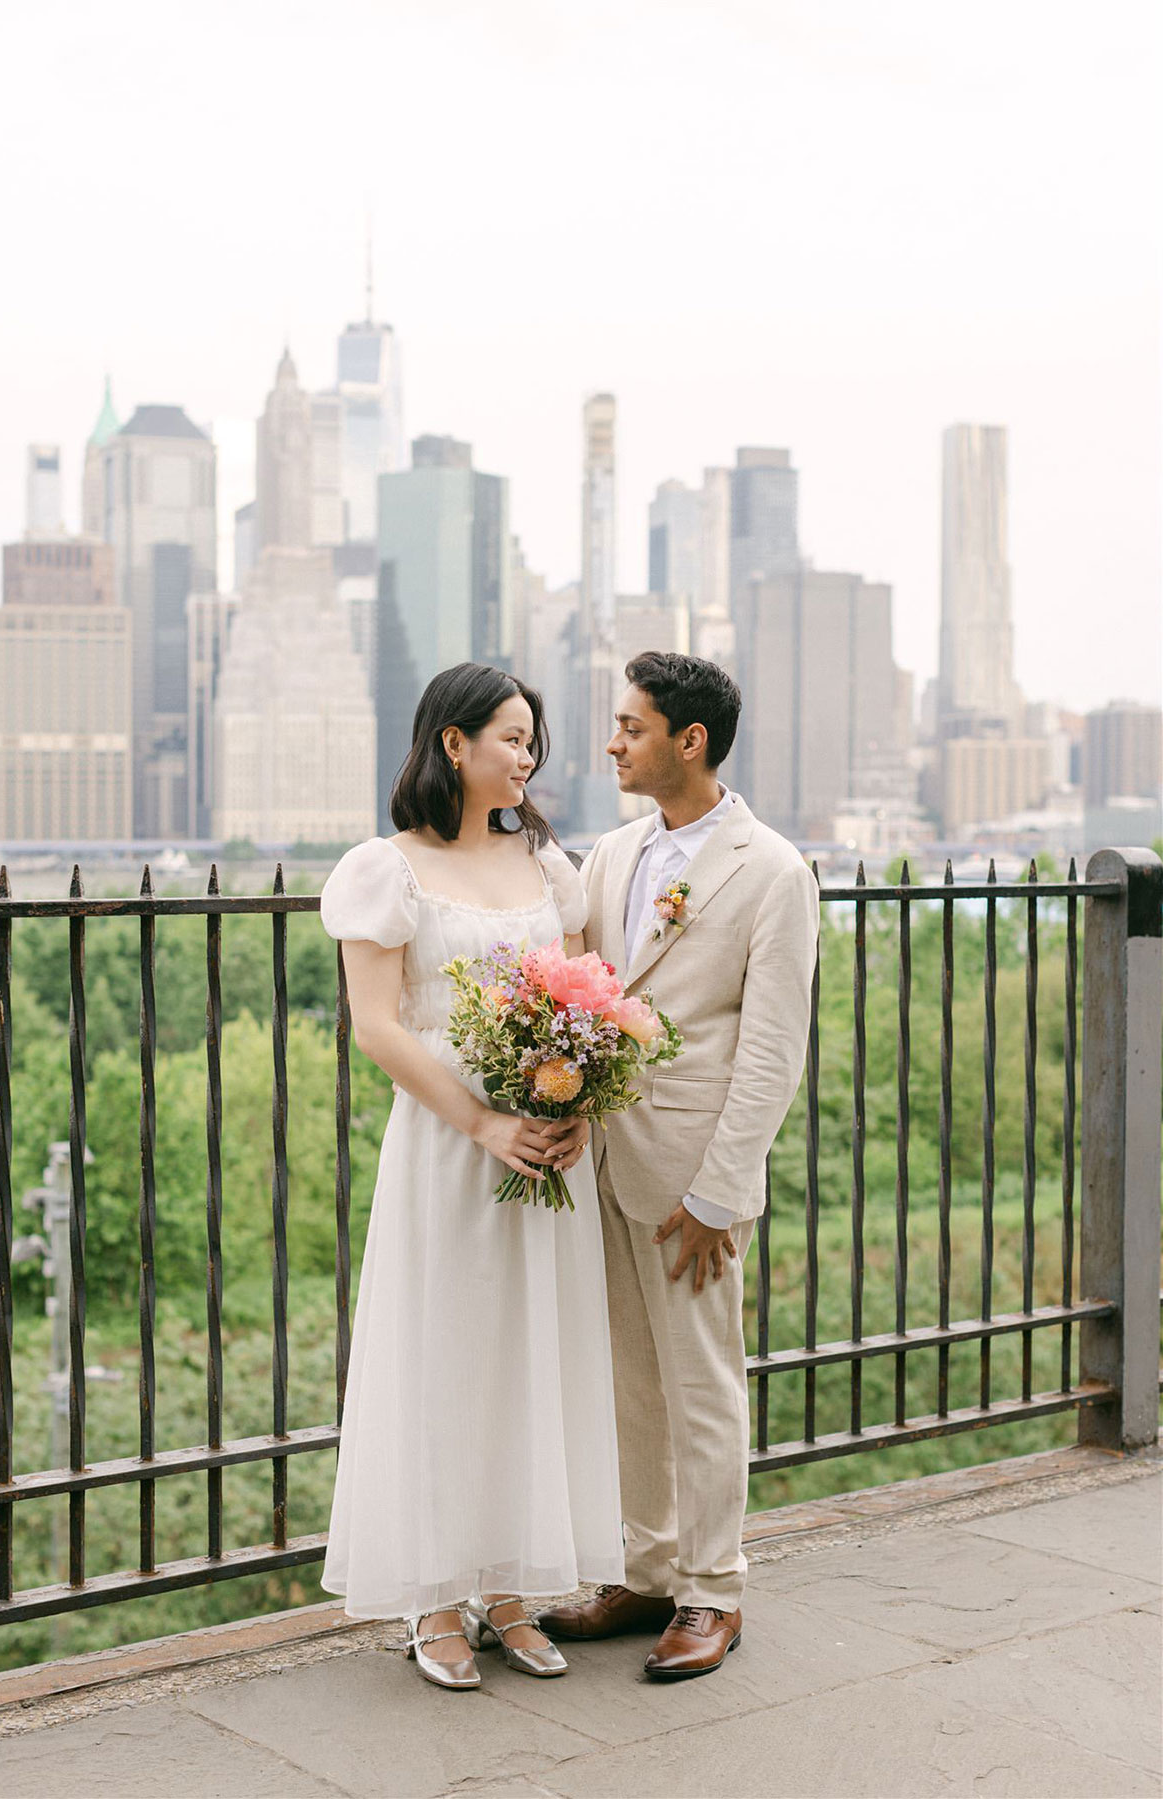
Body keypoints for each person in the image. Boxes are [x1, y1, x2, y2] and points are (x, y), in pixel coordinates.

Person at [319, 663, 624, 1690]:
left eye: (533, 740)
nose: (527, 755)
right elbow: (377, 1023)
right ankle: (435, 1598)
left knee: (529, 1353)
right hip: (451, 1143)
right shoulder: (386, 868)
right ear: (454, 743)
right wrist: (483, 1122)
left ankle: (507, 1587)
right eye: (510, 736)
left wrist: (575, 1105)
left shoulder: (549, 863)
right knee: (445, 1353)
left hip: (544, 1142)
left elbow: (587, 996)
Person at [538, 651, 819, 1679]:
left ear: (688, 740)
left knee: (702, 1383)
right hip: (606, 1161)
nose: (611, 741)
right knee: (630, 1381)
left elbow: (772, 1050)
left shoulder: (773, 870)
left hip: (694, 1177)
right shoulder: (614, 854)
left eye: (630, 725)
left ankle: (713, 1588)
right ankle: (644, 1568)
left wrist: (720, 1190)